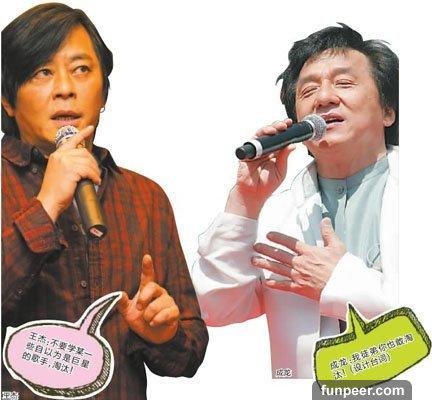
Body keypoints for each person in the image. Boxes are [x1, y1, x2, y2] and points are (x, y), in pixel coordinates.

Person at [1, 3, 208, 398]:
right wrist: (46, 206)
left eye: (81, 69)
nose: (65, 88)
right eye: (42, 72)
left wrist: (163, 333)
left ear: (104, 93)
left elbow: (190, 352)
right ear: (7, 100)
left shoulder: (146, 197)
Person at [192, 23, 398, 378]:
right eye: (308, 90)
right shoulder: (276, 212)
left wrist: (339, 282)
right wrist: (246, 202)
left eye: (344, 83)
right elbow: (215, 307)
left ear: (387, 111)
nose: (324, 98)